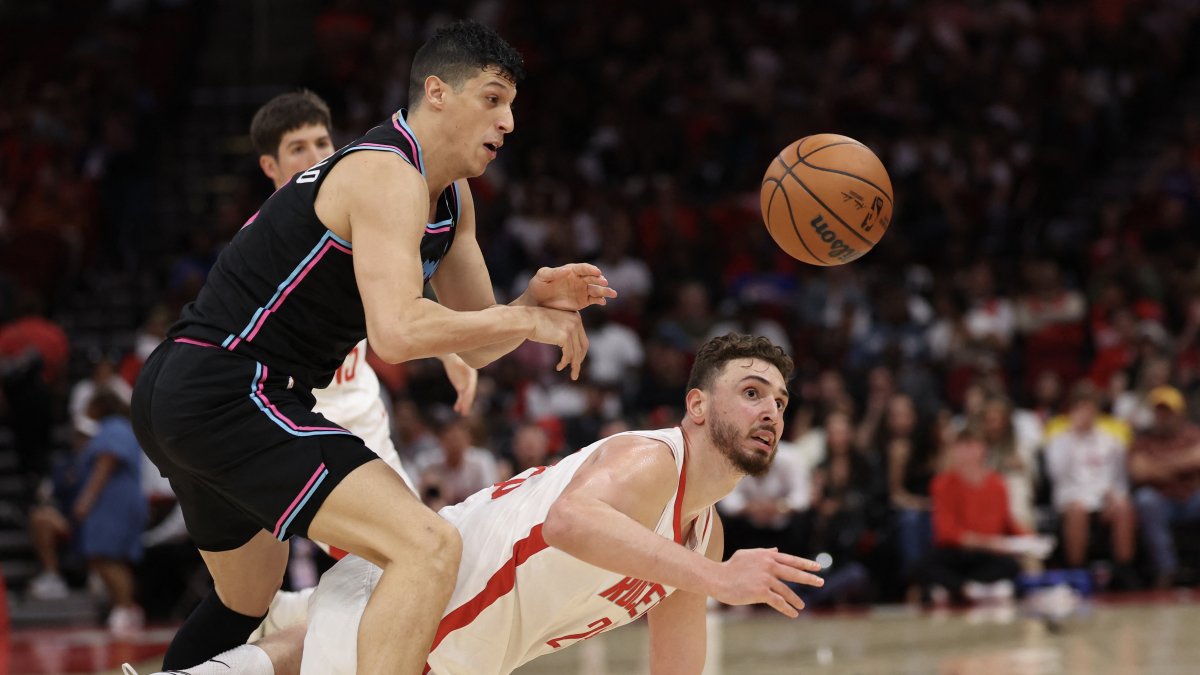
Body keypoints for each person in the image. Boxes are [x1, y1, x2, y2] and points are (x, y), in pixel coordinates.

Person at [130, 21, 615, 675]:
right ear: (437, 93)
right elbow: (398, 332)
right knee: (426, 546)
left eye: (510, 105)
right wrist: (523, 319)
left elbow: (478, 343)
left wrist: (530, 300)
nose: (507, 122)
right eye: (492, 99)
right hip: (229, 386)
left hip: (191, 390)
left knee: (247, 594)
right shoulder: (386, 173)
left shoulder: (453, 197)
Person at [144, 334, 825, 675]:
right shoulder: (651, 461)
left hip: (457, 626)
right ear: (697, 405)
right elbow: (570, 522)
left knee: (299, 645)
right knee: (306, 644)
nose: (771, 410)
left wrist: (710, 573)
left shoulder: (703, 533)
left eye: (780, 401)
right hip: (433, 609)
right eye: (752, 392)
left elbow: (676, 662)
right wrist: (720, 578)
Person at [1128, 386, 1200, 588]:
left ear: (1180, 414)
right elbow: (1139, 472)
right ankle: (1167, 570)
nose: (1163, 418)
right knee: (1145, 499)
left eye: (1168, 412)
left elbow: (1198, 458)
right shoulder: (1142, 440)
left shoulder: (1193, 434)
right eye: (1159, 412)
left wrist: (1159, 466)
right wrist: (1182, 465)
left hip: (1192, 499)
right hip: (1162, 502)